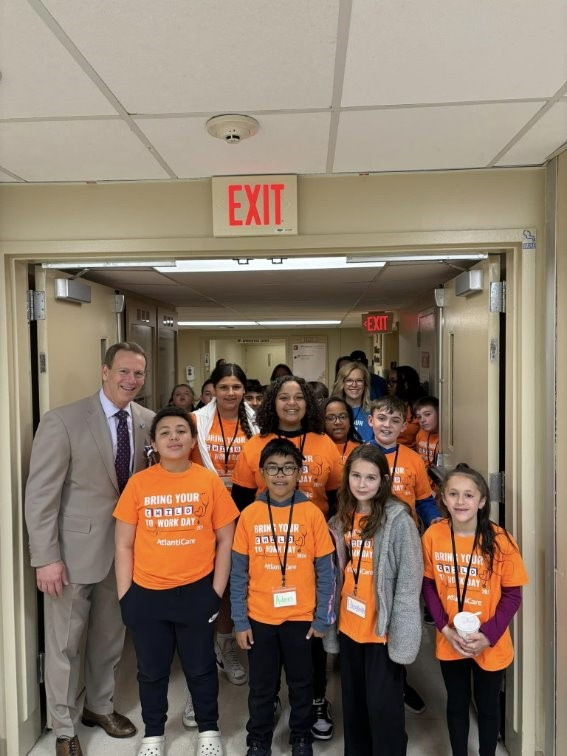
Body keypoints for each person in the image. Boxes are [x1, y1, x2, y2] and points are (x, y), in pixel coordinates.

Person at [24, 342, 155, 756]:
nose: (131, 381)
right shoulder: (63, 421)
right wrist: (45, 557)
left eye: (138, 374)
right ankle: (63, 727)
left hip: (123, 555)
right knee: (63, 643)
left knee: (110, 638)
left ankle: (99, 706)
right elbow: (40, 495)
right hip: (72, 555)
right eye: (123, 372)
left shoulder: (148, 422)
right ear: (104, 371)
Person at [114, 407, 238, 756]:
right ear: (153, 443)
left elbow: (226, 539)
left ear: (193, 439)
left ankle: (209, 729)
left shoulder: (207, 481)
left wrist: (216, 591)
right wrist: (126, 596)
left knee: (200, 668)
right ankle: (154, 733)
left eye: (181, 431)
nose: (173, 437)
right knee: (151, 671)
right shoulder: (139, 484)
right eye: (165, 432)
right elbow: (123, 543)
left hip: (198, 591)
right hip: (147, 594)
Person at [231, 375, 343, 740]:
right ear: (271, 403)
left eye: (299, 397)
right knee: (270, 647)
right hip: (267, 549)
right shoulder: (255, 446)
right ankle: (269, 703)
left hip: (313, 543)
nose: (291, 403)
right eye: (283, 397)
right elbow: (244, 503)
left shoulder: (324, 443)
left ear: (308, 403)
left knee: (310, 635)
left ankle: (314, 700)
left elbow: (339, 498)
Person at [422, 464, 528, 756]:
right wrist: (444, 628)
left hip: (490, 642)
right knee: (456, 702)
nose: (460, 501)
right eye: (453, 494)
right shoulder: (433, 536)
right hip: (450, 637)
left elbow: (512, 595)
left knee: (488, 705)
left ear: (482, 501)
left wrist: (488, 635)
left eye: (469, 495)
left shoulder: (501, 541)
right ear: (442, 497)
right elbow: (428, 585)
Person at [327, 444, 423, 755]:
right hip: (350, 624)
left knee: (383, 707)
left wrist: (403, 633)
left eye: (370, 477)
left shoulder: (398, 521)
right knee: (353, 703)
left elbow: (410, 583)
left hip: (381, 630)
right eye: (356, 475)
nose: (362, 484)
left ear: (383, 480)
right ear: (347, 477)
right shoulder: (340, 520)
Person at [185, 364, 259, 725]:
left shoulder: (257, 422)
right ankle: (200, 668)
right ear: (213, 388)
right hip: (203, 511)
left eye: (236, 386)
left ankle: (226, 646)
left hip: (244, 512)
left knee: (234, 582)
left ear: (244, 390)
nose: (230, 393)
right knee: (203, 582)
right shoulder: (196, 420)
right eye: (224, 386)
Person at [367, 395, 442, 714]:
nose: (387, 425)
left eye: (395, 420)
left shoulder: (412, 460)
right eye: (382, 418)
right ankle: (374, 680)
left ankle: (398, 679)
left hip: (404, 548)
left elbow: (424, 500)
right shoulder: (359, 456)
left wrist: (436, 520)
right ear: (371, 421)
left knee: (401, 615)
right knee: (371, 615)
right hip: (367, 546)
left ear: (403, 426)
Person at [332, 361, 374, 443]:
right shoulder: (331, 410)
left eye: (359, 380)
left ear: (365, 384)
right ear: (342, 383)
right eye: (349, 380)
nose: (354, 385)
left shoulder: (374, 410)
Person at [386, 366, 426, 449]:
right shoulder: (386, 404)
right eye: (388, 381)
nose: (388, 385)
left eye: (393, 381)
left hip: (412, 453)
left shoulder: (419, 408)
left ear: (406, 384)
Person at [322, 395, 362, 465]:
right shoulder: (317, 448)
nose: (338, 422)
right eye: (331, 418)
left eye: (343, 417)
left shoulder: (361, 449)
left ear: (350, 421)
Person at [414, 396, 440, 468]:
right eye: (419, 417)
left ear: (439, 413)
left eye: (427, 414)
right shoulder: (420, 434)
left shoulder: (445, 438)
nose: (422, 420)